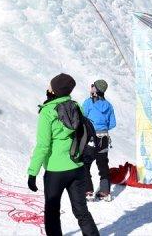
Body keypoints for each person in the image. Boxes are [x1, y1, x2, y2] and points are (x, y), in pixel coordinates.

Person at [27, 74, 99, 236]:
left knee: (52, 213)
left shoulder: (47, 112)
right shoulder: (76, 106)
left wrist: (33, 172)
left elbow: (43, 146)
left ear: (55, 90)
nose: (48, 89)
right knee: (82, 212)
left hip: (56, 171)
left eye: (50, 86)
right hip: (77, 166)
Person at [81, 79, 116, 202]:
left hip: (91, 138)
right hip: (104, 139)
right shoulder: (109, 105)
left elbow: (81, 118)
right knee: (103, 165)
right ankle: (105, 192)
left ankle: (88, 191)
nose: (91, 87)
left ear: (96, 90)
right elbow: (112, 124)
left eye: (92, 86)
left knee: (85, 164)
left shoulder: (88, 103)